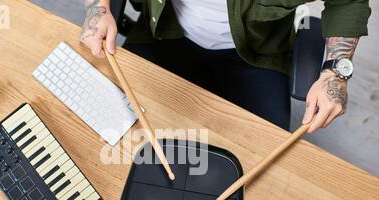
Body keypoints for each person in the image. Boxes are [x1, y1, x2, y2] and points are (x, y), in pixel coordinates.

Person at [79, 0, 371, 133]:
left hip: (257, 53)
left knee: (258, 168)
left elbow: (349, 3)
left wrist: (335, 73)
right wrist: (98, 8)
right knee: (110, 128)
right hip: (164, 32)